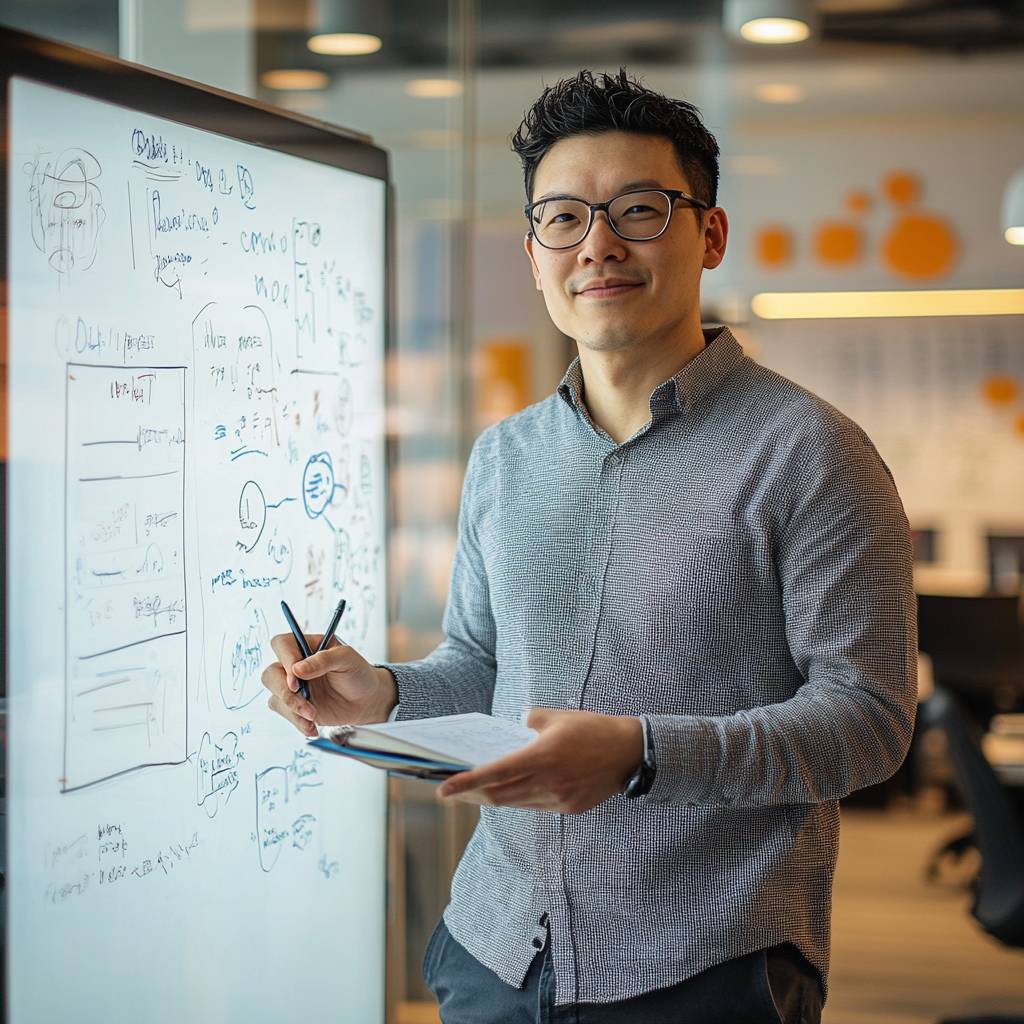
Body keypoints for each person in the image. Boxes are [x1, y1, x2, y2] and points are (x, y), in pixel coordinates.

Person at [262, 68, 917, 1024]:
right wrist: (384, 694)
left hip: (702, 960)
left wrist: (642, 755)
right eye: (563, 218)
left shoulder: (812, 453)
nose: (598, 244)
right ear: (536, 255)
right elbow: (484, 665)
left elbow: (868, 721)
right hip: (495, 947)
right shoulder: (505, 456)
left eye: (639, 210)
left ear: (712, 234)